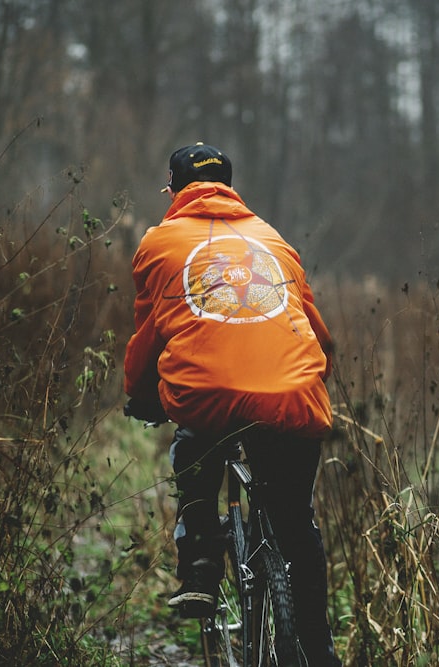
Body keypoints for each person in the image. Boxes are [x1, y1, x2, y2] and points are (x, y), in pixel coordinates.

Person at [123, 142, 340, 666]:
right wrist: (303, 379)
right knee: (295, 524)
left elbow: (152, 335)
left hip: (207, 393)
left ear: (173, 191)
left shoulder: (159, 242)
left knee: (196, 429)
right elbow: (318, 336)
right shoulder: (274, 240)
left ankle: (199, 565)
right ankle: (319, 649)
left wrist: (140, 394)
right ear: (230, 187)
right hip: (293, 394)